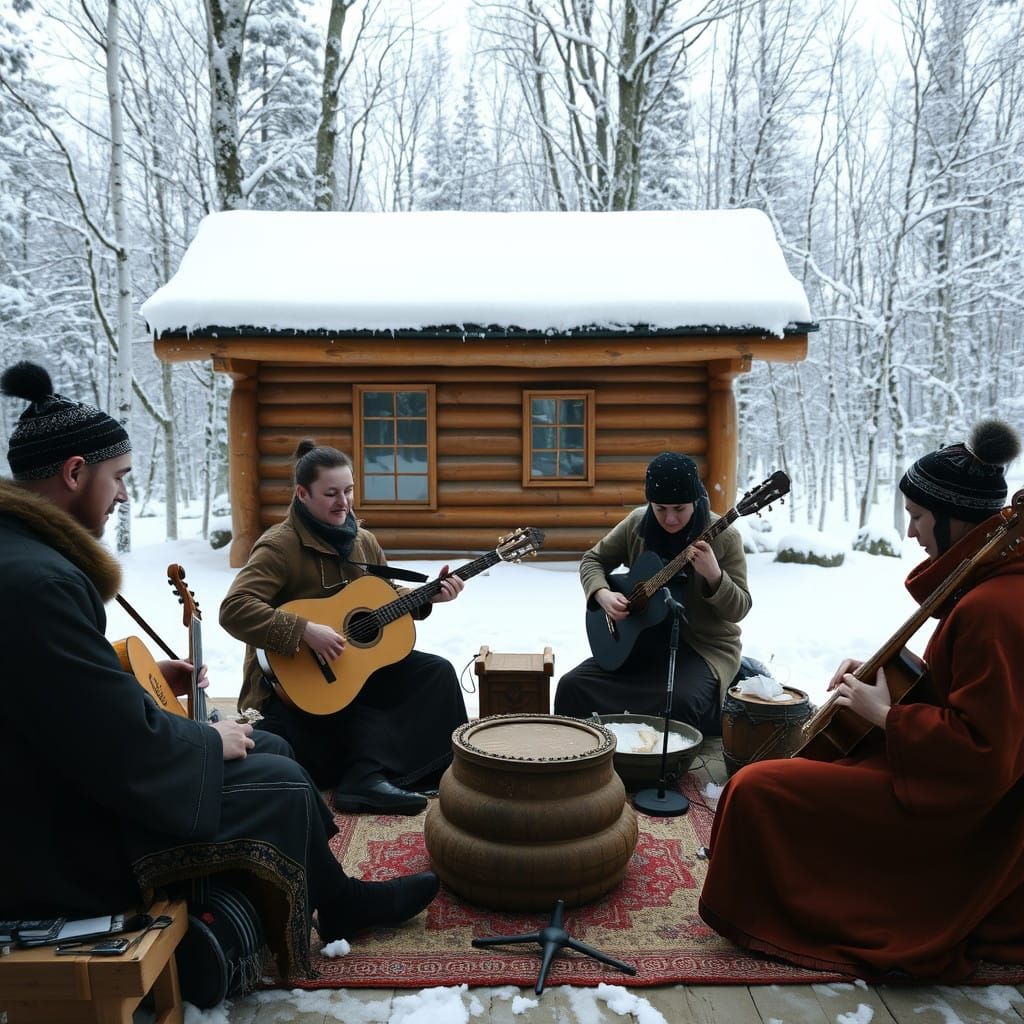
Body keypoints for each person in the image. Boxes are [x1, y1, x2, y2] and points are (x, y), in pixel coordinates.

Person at [0, 362, 439, 980]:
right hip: (53, 831)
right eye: (118, 478)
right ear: (75, 474)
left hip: (59, 781)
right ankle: (326, 906)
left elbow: (58, 696)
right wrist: (206, 740)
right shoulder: (40, 582)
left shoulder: (26, 561)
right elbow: (110, 740)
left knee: (280, 745)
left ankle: (331, 891)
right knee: (282, 780)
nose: (123, 496)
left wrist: (144, 682)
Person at [699, 420, 1024, 982]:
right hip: (933, 775)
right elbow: (968, 692)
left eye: (918, 517)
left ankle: (800, 909)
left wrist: (886, 716)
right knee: (786, 777)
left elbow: (985, 755)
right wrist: (891, 678)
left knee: (756, 790)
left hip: (964, 822)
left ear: (956, 519)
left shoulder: (993, 608)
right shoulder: (992, 587)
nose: (912, 532)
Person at [219, 440, 469, 815]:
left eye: (349, 491)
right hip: (295, 685)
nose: (344, 502)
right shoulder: (279, 546)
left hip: (349, 667)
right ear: (302, 494)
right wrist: (304, 630)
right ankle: (365, 779)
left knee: (436, 673)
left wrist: (426, 597)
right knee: (356, 706)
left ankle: (426, 773)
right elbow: (234, 609)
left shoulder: (362, 541)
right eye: (331, 493)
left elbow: (382, 599)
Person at [553, 451, 751, 735]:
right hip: (639, 644)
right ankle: (581, 758)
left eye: (679, 509)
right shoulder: (637, 524)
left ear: (695, 500)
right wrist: (602, 593)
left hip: (700, 648)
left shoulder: (724, 537)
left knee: (678, 703)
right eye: (660, 509)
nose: (670, 519)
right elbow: (592, 560)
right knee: (572, 686)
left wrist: (714, 576)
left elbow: (740, 608)